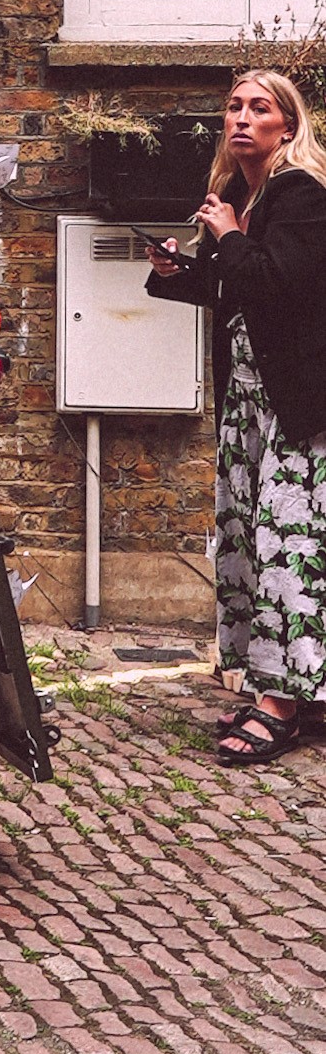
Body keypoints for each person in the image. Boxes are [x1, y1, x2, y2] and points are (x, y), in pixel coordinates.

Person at [146, 66, 326, 766]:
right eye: (232, 106)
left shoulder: (299, 193)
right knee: (248, 543)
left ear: (287, 124)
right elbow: (235, 291)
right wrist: (175, 273)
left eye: (259, 107)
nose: (241, 118)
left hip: (294, 404)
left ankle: (280, 705)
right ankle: (271, 683)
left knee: (288, 551)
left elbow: (274, 284)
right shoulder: (239, 196)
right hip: (248, 398)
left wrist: (222, 235)